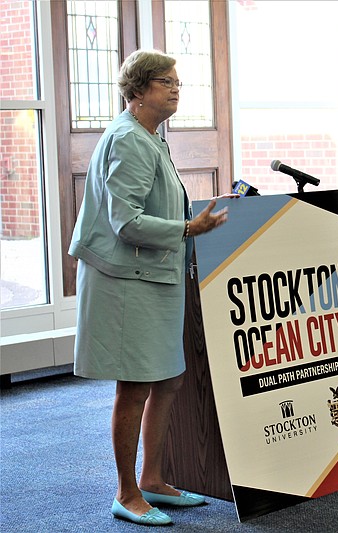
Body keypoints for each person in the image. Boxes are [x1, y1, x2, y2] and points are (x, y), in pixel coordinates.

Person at [69, 49, 230, 526]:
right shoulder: (128, 140)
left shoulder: (150, 135)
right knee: (136, 383)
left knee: (168, 377)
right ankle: (126, 492)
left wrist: (186, 230)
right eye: (165, 81)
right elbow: (127, 222)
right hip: (126, 279)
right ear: (137, 91)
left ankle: (154, 480)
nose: (177, 88)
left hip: (152, 274)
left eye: (179, 81)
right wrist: (187, 229)